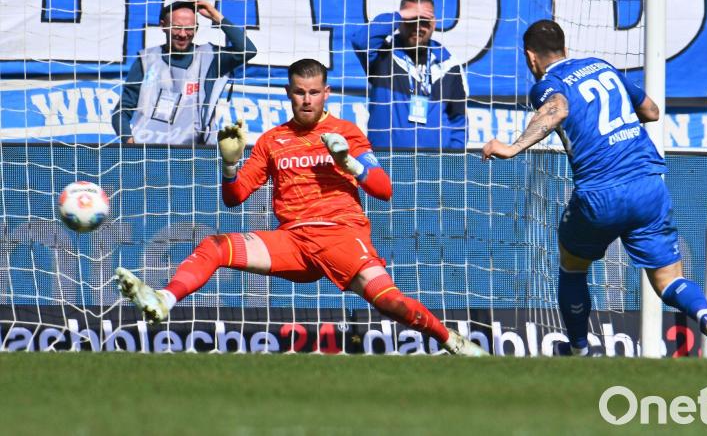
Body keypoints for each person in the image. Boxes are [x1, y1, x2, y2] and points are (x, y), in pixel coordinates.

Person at [115, 58, 487, 356]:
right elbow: (235, 198)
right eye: (299, 93)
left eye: (313, 92)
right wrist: (229, 165)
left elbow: (384, 190)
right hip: (293, 242)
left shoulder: (347, 134)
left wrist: (350, 164)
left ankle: (451, 340)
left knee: (390, 303)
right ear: (288, 94)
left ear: (326, 93)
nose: (306, 100)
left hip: (341, 236)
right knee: (214, 246)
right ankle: (163, 299)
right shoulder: (273, 140)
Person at [482, 20, 707, 359]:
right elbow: (651, 110)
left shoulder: (548, 84)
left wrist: (513, 146)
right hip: (648, 185)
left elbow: (558, 108)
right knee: (668, 281)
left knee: (572, 263)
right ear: (565, 49)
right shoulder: (601, 66)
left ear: (530, 58)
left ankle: (579, 349)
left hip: (602, 193)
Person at [111, 0, 257, 144]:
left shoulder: (210, 57)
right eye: (176, 27)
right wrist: (129, 141)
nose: (182, 34)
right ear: (163, 26)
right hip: (148, 150)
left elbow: (248, 50)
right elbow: (121, 111)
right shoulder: (146, 60)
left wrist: (215, 16)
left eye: (189, 28)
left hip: (196, 152)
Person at [351, 0, 467, 150]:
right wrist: (399, 15)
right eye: (411, 20)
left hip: (436, 166)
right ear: (400, 22)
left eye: (424, 21)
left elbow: (459, 120)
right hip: (386, 160)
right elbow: (361, 40)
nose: (418, 27)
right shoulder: (383, 55)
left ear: (434, 23)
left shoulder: (448, 64)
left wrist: (451, 160)